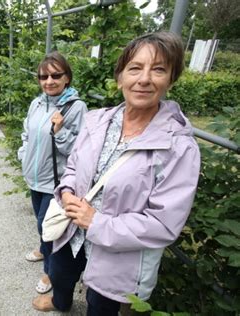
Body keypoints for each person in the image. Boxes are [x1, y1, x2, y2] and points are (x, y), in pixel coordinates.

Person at [32, 32, 201, 314]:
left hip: (117, 255)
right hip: (70, 229)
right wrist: (67, 192)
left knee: (100, 306)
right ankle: (60, 301)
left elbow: (163, 224)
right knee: (60, 275)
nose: (144, 79)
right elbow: (72, 167)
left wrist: (96, 223)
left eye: (158, 69)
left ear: (171, 79)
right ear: (120, 77)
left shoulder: (178, 147)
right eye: (134, 68)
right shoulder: (96, 121)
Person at [18, 52, 88, 295]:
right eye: (44, 76)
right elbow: (26, 133)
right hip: (34, 178)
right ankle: (42, 249)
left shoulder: (76, 108)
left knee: (47, 226)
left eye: (56, 75)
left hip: (56, 183)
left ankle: (49, 271)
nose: (49, 81)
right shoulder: (37, 103)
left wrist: (59, 131)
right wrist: (23, 154)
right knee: (41, 222)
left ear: (67, 78)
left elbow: (79, 151)